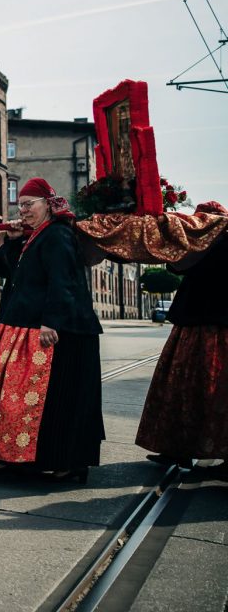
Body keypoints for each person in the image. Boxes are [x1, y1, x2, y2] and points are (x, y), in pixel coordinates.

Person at [0, 177, 103, 483]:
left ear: (48, 204)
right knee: (25, 398)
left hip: (63, 331)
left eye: (28, 205)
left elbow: (62, 281)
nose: (22, 211)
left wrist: (52, 321)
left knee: (58, 401)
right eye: (20, 205)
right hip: (33, 325)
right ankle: (14, 456)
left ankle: (67, 462)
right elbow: (17, 274)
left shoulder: (57, 235)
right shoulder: (37, 236)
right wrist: (1, 245)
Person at [135, 201, 228, 479]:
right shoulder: (196, 243)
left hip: (219, 324)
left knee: (215, 391)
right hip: (191, 321)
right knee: (178, 387)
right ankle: (176, 448)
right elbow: (176, 266)